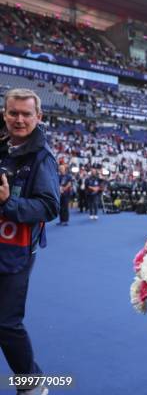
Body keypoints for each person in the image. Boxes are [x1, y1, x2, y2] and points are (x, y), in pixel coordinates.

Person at [0, 88, 59, 395]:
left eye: (26, 114)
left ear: (39, 117)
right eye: (13, 113)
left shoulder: (42, 157)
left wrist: (8, 203)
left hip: (15, 251)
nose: (19, 120)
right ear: (4, 114)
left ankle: (31, 382)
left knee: (7, 323)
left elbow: (49, 207)